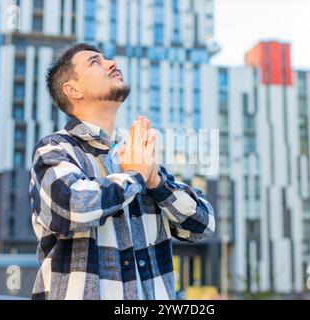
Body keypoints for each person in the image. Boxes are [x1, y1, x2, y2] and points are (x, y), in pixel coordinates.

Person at [29, 43, 216, 300]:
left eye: (107, 58)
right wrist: (135, 177)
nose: (111, 64)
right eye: (95, 62)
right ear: (72, 89)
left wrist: (156, 182)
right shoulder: (55, 149)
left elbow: (202, 225)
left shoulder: (136, 157)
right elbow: (73, 205)